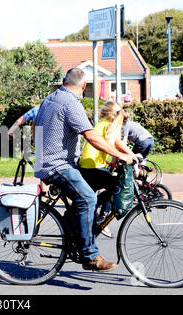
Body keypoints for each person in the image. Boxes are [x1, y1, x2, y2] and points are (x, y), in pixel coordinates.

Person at [34, 68, 136, 272]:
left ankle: (76, 225)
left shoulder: (49, 99)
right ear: (83, 86)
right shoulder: (71, 102)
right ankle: (90, 256)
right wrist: (123, 155)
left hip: (50, 163)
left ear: (64, 81)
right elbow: (91, 136)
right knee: (88, 198)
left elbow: (36, 125)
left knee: (107, 181)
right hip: (58, 166)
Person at [79, 101, 137, 238]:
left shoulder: (102, 124)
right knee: (116, 185)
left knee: (105, 186)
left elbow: (115, 145)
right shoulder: (107, 126)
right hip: (92, 167)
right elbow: (118, 143)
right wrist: (132, 156)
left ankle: (96, 215)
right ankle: (101, 216)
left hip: (89, 165)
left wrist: (126, 156)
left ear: (105, 112)